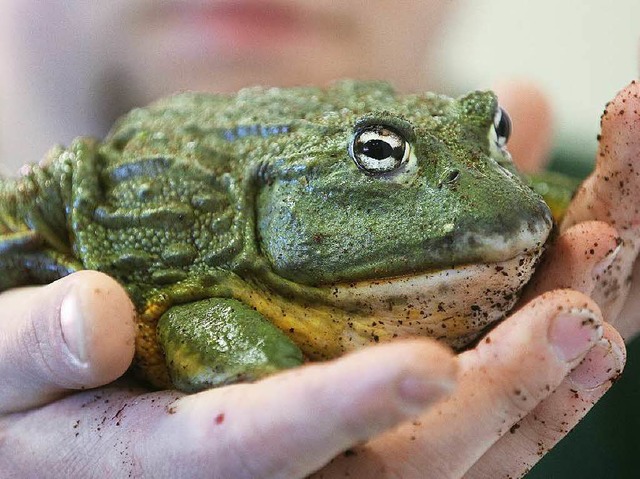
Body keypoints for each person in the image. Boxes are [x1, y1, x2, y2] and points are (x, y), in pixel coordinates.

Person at [0, 2, 638, 477]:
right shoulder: (65, 219)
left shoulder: (612, 205)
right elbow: (198, 322)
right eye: (380, 153)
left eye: (494, 134)